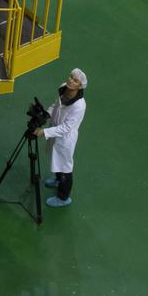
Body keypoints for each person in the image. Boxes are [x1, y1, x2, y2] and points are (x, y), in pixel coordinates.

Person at [35, 67, 87, 207]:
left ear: (80, 86)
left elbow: (66, 128)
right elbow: (56, 105)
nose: (71, 81)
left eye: (75, 80)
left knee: (65, 167)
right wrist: (47, 114)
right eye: (71, 77)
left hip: (65, 139)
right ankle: (58, 180)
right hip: (55, 130)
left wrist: (45, 132)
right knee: (55, 158)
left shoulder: (79, 106)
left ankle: (63, 198)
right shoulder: (63, 88)